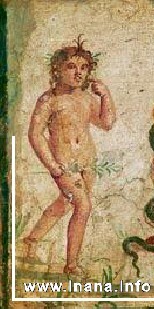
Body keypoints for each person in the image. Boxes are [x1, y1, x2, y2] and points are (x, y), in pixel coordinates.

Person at [23, 35, 116, 275]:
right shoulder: (49, 99)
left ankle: (31, 240)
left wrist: (105, 96)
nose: (79, 73)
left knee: (65, 203)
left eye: (84, 68)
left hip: (87, 162)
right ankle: (71, 264)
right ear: (58, 69)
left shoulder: (85, 98)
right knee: (83, 206)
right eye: (71, 67)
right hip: (64, 164)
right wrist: (52, 165)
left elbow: (106, 123)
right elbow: (35, 134)